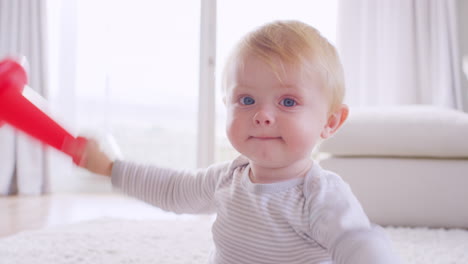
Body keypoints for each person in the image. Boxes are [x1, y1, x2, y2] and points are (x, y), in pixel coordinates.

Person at [78, 20, 402, 264]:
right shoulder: (228, 178)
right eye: (246, 99)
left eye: (288, 102)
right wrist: (110, 168)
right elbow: (173, 190)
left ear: (330, 122)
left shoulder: (318, 195)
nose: (262, 115)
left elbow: (358, 242)